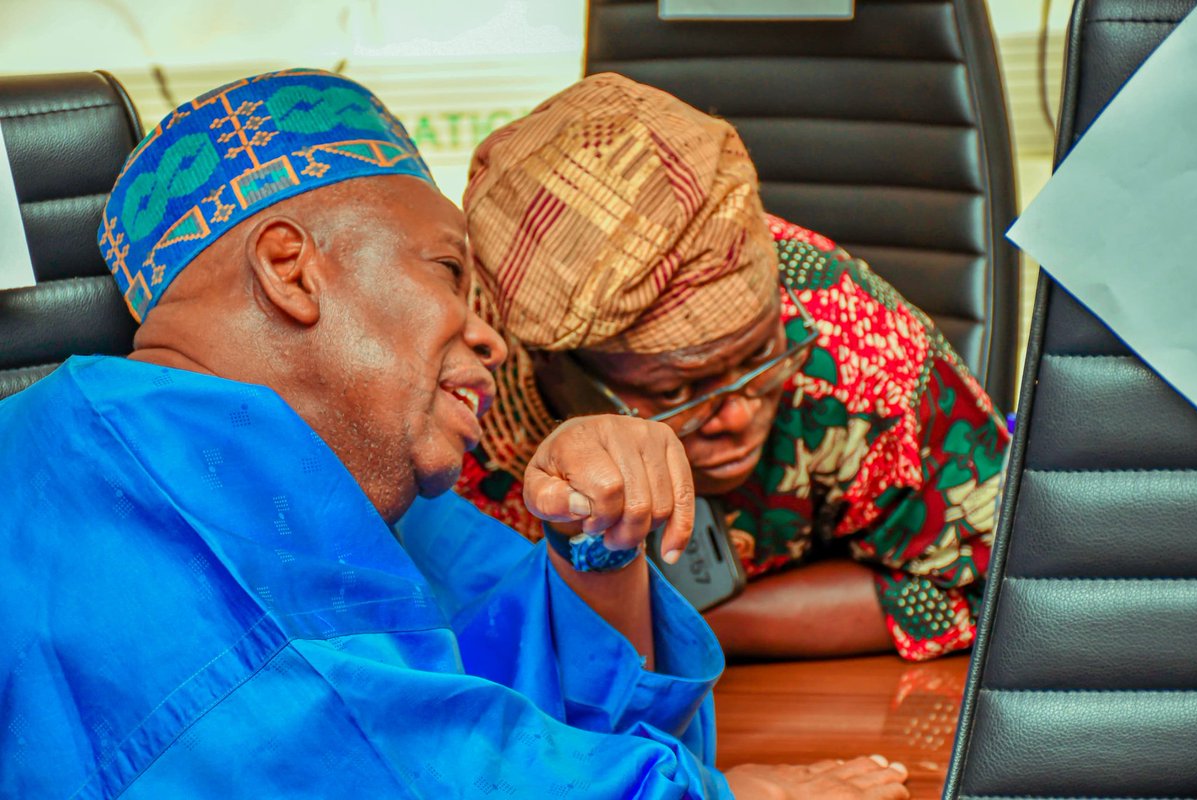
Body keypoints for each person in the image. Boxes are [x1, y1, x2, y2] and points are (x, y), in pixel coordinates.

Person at [0, 70, 910, 799]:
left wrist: (605, 536)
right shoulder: (148, 526)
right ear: (291, 270)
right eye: (446, 270)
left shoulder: (334, 481)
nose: (491, 336)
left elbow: (555, 726)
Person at [457, 73, 1010, 662]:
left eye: (759, 356)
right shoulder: (455, 400)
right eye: (675, 388)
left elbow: (1001, 583)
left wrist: (678, 630)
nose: (739, 414)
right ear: (553, 365)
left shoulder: (855, 337)